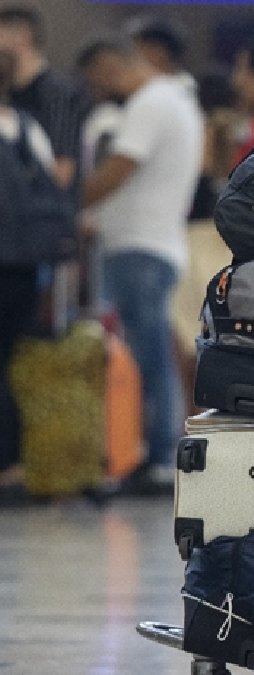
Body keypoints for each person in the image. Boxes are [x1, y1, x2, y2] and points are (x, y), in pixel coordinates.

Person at [78, 39, 203, 496]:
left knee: (151, 357)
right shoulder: (177, 100)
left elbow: (119, 169)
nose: (99, 91)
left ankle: (159, 459)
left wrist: (67, 204)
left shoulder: (150, 103)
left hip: (140, 248)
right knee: (154, 354)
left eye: (98, 80)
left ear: (112, 67)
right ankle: (156, 456)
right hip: (155, 245)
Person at [0, 49, 55, 506]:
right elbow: (54, 189)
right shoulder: (26, 129)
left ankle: (8, 467)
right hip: (24, 267)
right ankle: (14, 469)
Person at [0, 4, 90, 191]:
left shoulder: (59, 93)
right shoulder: (10, 94)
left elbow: (63, 170)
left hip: (40, 202)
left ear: (22, 35)